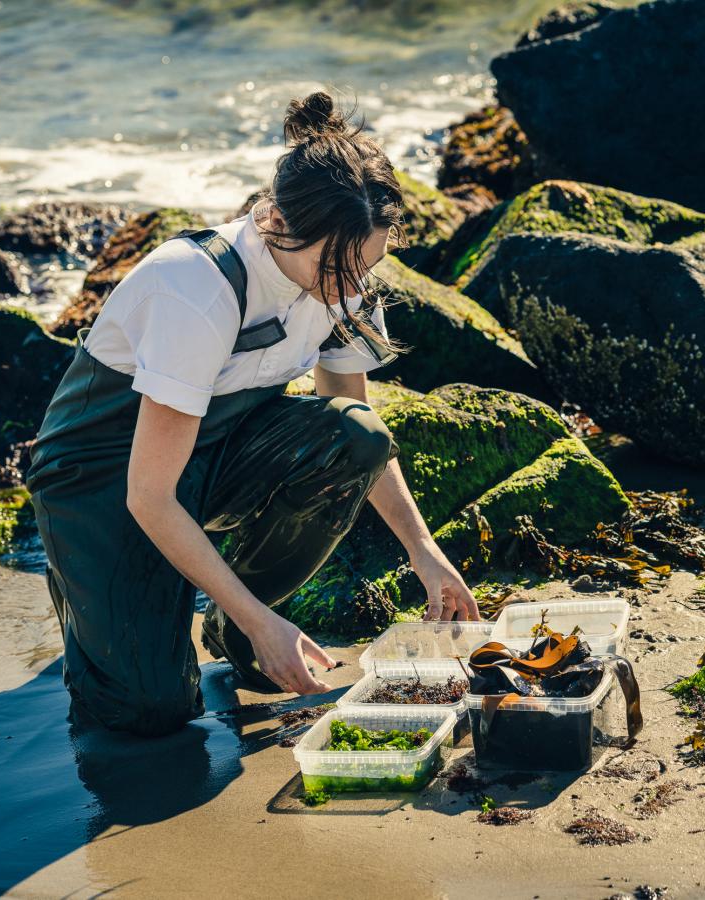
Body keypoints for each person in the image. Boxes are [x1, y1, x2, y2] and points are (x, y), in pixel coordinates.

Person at [25, 90, 481, 738]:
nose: (354, 289)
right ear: (278, 223)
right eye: (339, 268)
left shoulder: (341, 283)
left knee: (355, 437)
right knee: (145, 715)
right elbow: (150, 496)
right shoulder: (196, 289)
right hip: (102, 481)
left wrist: (425, 551)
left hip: (214, 450)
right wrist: (259, 619)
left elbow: (355, 423)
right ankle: (90, 586)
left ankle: (236, 627)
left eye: (368, 266)